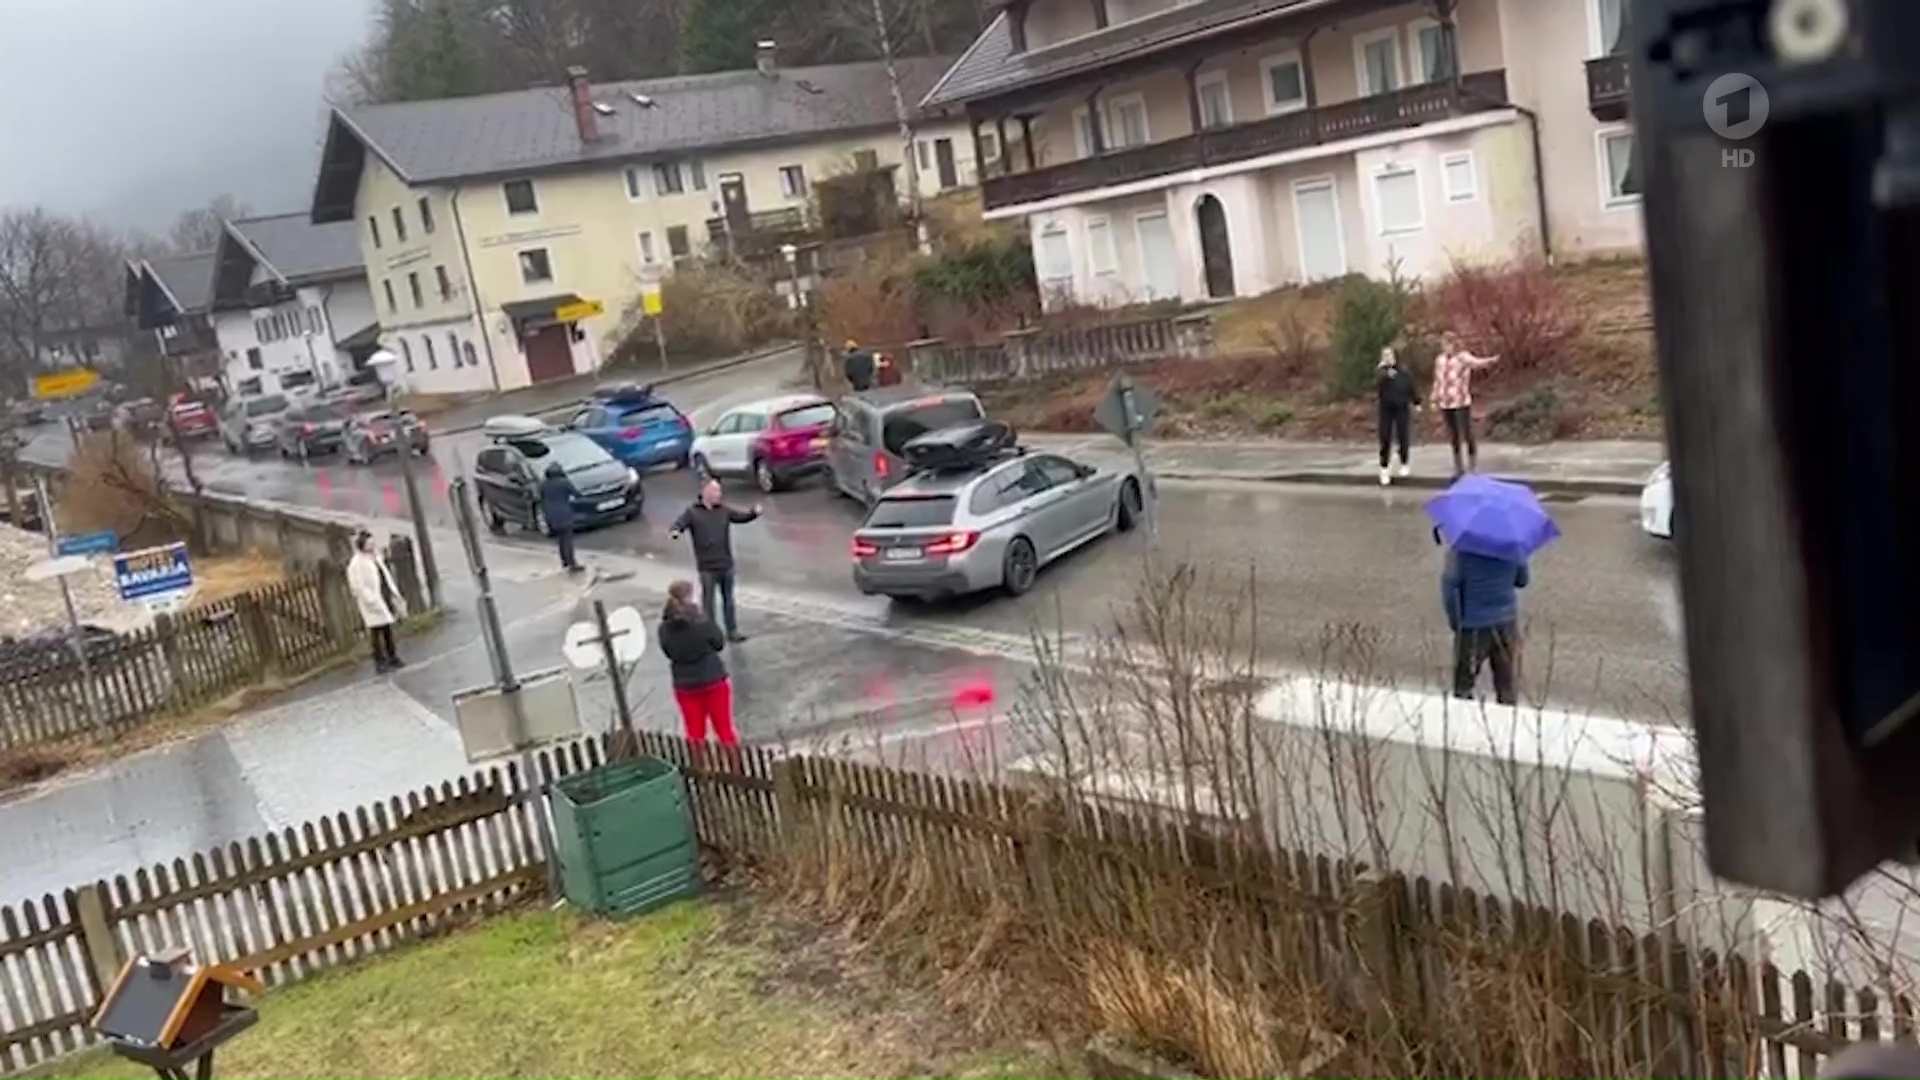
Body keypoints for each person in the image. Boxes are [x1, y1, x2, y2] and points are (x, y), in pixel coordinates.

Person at [668, 479, 761, 642]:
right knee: (708, 604)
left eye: (719, 491)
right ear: (705, 493)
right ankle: (710, 635)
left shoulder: (723, 510)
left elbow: (740, 517)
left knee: (729, 601)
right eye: (715, 491)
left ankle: (732, 631)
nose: (719, 494)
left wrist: (753, 513)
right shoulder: (693, 512)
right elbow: (679, 524)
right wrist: (675, 531)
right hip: (707, 568)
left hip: (726, 564)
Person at [1440, 534, 1528, 706]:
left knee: (1464, 687)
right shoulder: (1513, 545)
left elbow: (1449, 589)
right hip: (1506, 623)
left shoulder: (1460, 549)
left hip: (1473, 625)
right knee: (1507, 686)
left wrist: (1455, 621)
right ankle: (1507, 728)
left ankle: (1462, 728)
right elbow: (1522, 580)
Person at [659, 579, 738, 747]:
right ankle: (735, 766)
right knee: (724, 730)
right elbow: (719, 643)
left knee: (695, 733)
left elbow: (668, 652)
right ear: (689, 596)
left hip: (685, 686)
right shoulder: (701, 621)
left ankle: (699, 768)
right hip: (713, 680)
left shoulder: (664, 628)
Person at [1429, 331, 1499, 477]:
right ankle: (1458, 466)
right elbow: (1438, 380)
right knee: (1453, 434)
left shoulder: (1462, 357)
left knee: (1466, 432)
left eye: (1446, 344)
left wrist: (1489, 361)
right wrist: (1434, 398)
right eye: (1443, 345)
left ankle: (1472, 464)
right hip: (1446, 402)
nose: (1444, 348)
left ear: (1453, 344)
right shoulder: (1440, 360)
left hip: (1460, 401)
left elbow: (1476, 363)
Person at [347, 530, 406, 674]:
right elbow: (357, 585)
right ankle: (380, 661)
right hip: (372, 601)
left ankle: (392, 657)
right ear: (362, 545)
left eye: (373, 542)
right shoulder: (356, 563)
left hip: (383, 595)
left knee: (387, 629)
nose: (372, 545)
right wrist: (370, 599)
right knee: (376, 631)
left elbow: (384, 574)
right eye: (369, 543)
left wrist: (392, 592)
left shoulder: (375, 558)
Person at [1375, 346, 1421, 486]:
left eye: (1389, 355)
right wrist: (1384, 373)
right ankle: (1384, 467)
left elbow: (1411, 387)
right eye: (1385, 355)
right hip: (1386, 408)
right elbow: (1376, 385)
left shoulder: (1404, 372)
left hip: (1401, 406)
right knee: (1385, 437)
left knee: (1403, 435)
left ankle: (1404, 462)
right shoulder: (1380, 372)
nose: (1387, 358)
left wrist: (1416, 402)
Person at [539, 462, 583, 573]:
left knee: (560, 540)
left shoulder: (543, 484)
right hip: (564, 513)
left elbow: (540, 497)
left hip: (550, 515)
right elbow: (577, 494)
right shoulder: (564, 482)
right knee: (567, 539)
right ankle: (572, 563)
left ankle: (564, 562)